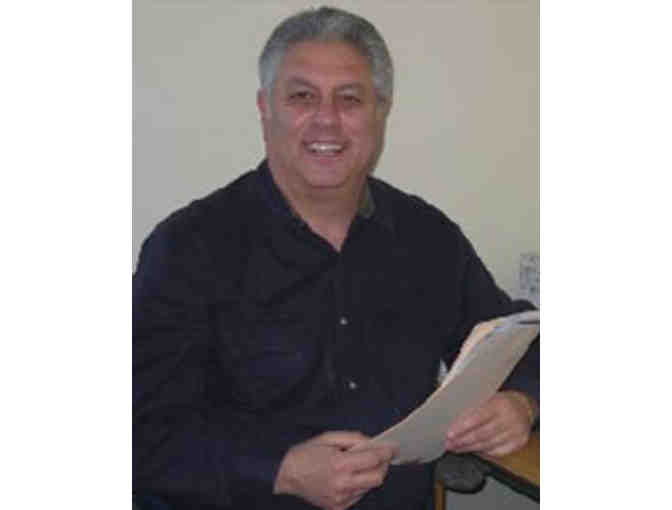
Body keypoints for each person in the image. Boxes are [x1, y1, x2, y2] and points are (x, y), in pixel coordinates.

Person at [133, 6, 539, 510]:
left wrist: (522, 401)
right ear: (265, 108)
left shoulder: (428, 238)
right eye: (302, 97)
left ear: (380, 111)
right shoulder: (186, 248)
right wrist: (279, 470)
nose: (326, 119)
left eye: (350, 99)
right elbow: (142, 433)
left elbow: (517, 340)